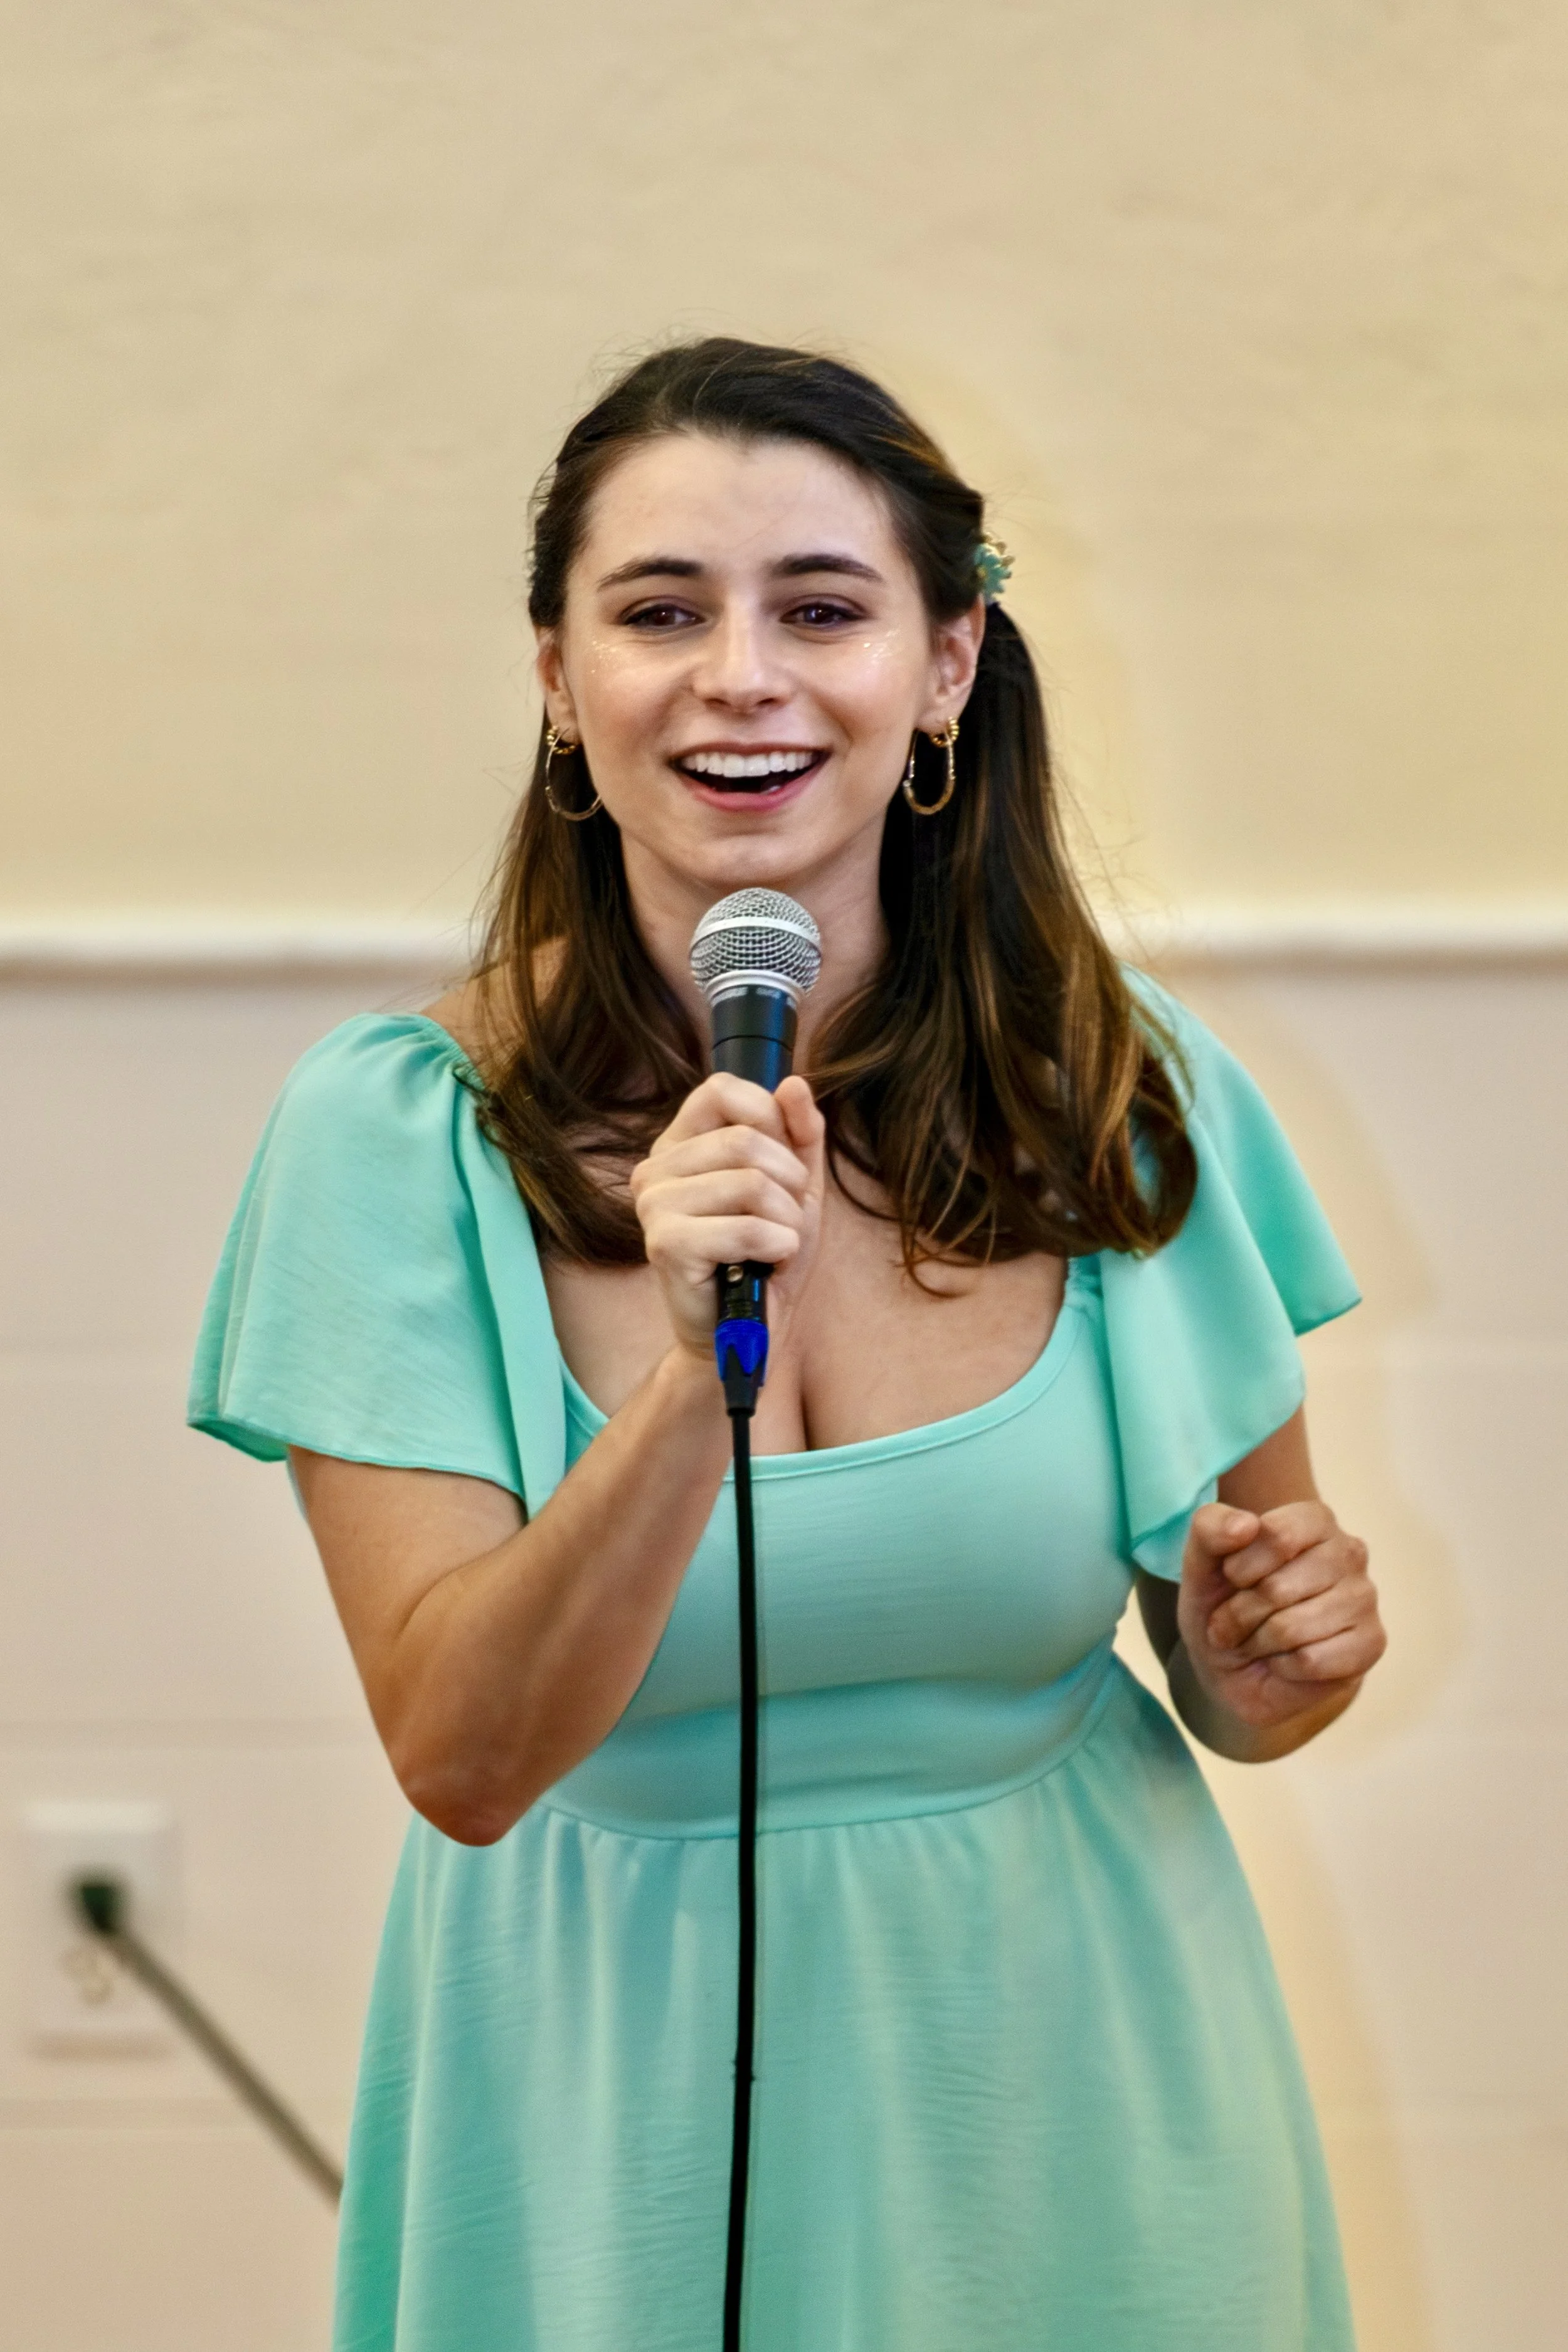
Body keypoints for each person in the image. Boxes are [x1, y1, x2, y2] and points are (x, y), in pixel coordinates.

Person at [189, 337, 1386, 2351]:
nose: (739, 673)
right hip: (598, 2119)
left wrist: (1281, 1657)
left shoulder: (1120, 1092)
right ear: (562, 686)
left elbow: (1236, 1677)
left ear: (943, 666)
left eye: (819, 607)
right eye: (659, 611)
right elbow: (464, 1755)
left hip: (1078, 2103)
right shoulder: (391, 1133)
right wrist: (682, 1380)